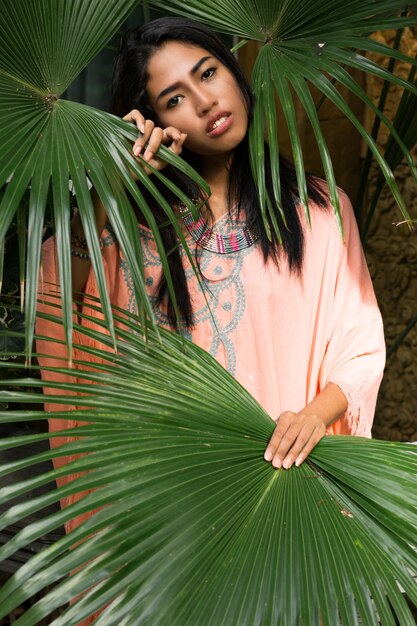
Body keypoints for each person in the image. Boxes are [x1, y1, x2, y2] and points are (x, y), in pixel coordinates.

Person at [37, 16, 385, 510]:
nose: (204, 103)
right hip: (161, 506)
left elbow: (360, 346)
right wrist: (110, 191)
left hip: (283, 487)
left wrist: (311, 417)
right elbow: (58, 310)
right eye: (174, 99)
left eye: (206, 73)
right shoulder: (126, 226)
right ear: (153, 121)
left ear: (234, 72)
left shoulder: (320, 211)